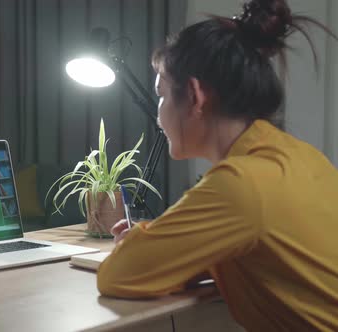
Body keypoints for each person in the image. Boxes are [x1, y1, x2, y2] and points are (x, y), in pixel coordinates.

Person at [97, 0, 338, 330]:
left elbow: (118, 275)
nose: (159, 112)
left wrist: (139, 245)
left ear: (195, 96)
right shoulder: (302, 158)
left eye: (162, 94)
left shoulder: (240, 184)